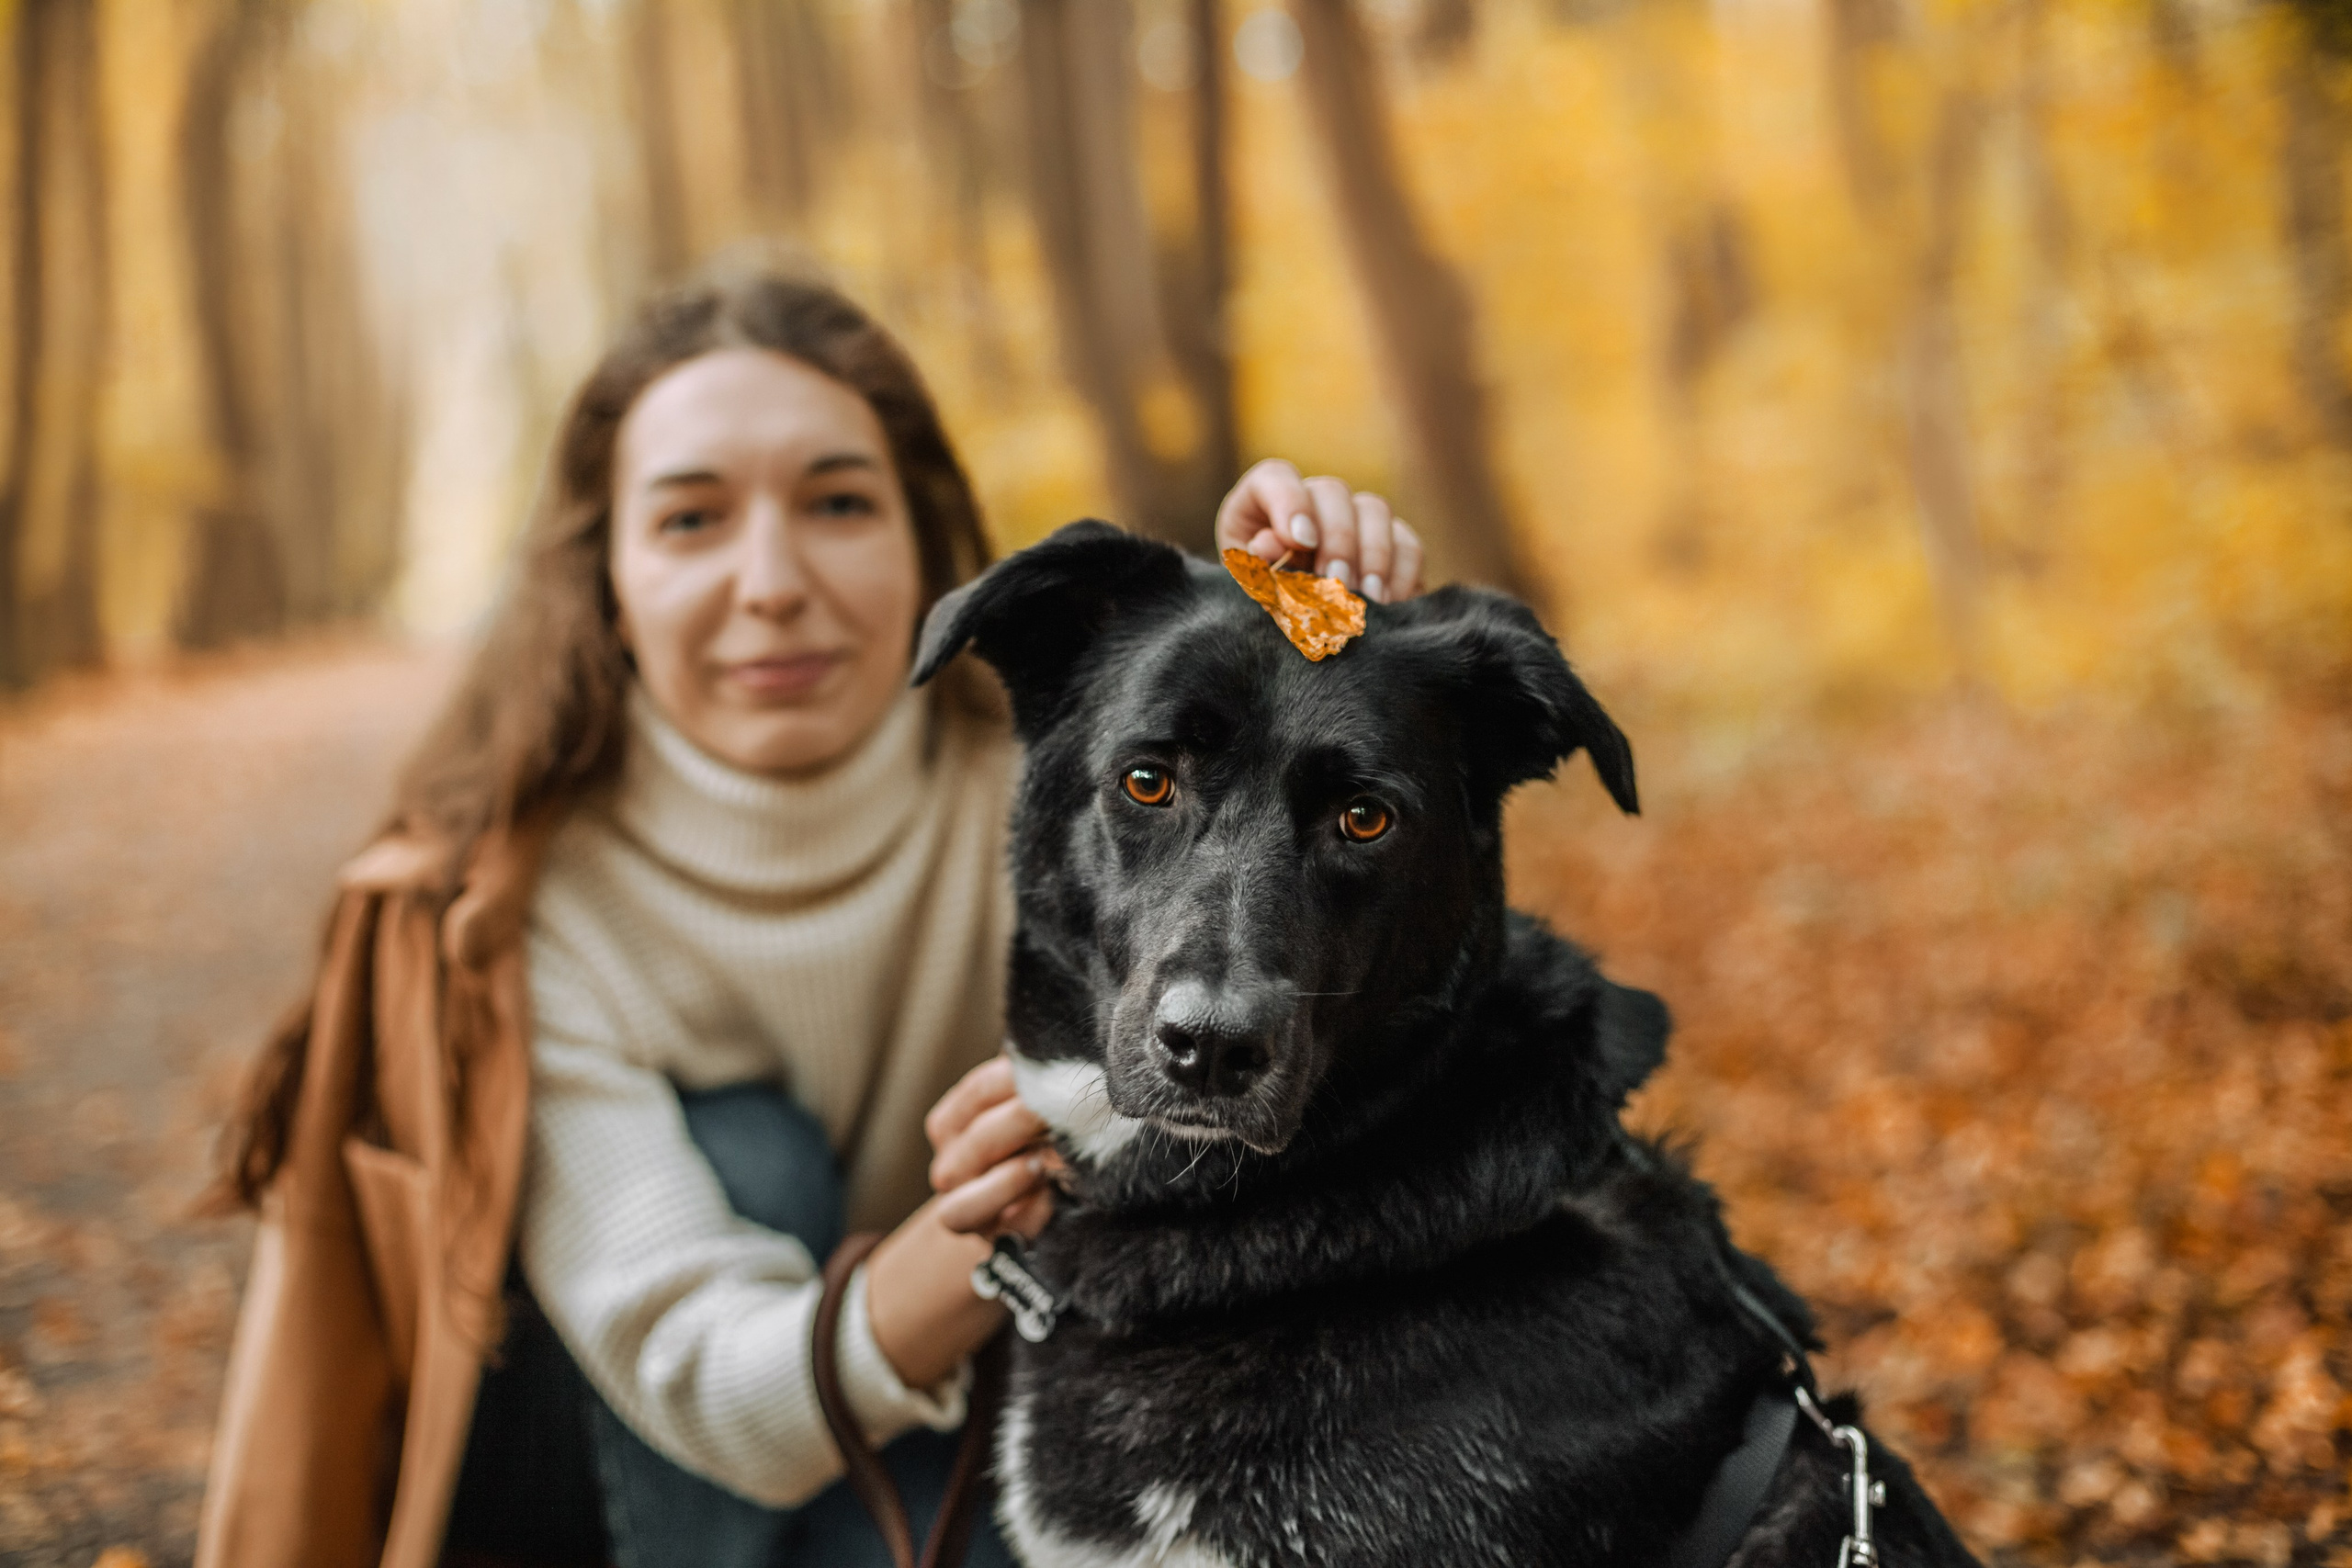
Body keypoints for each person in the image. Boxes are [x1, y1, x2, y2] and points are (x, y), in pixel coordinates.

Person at [194, 269, 1425, 1568]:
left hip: (997, 1405)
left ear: (927, 543)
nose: (772, 581)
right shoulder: (514, 909)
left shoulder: (1094, 790)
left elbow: (1358, 1030)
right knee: (753, 1156)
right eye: (690, 520)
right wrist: (1020, 1215)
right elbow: (709, 1376)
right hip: (672, 1450)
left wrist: (1279, 642)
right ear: (605, 578)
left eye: (838, 502)